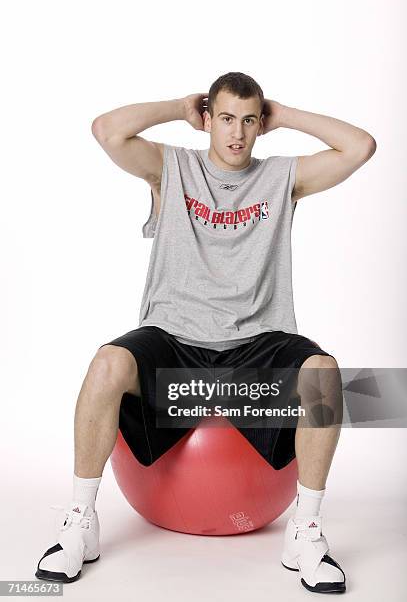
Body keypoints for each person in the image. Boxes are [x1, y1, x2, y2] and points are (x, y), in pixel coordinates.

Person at [35, 72, 376, 592]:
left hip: (257, 341)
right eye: (225, 119)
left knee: (324, 376)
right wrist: (177, 105)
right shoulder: (172, 168)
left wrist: (283, 116)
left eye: (248, 121)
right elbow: (106, 130)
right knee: (107, 362)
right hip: (173, 335)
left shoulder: (283, 177)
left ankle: (304, 531)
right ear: (207, 121)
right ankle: (81, 522)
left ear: (259, 126)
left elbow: (361, 146)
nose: (236, 133)